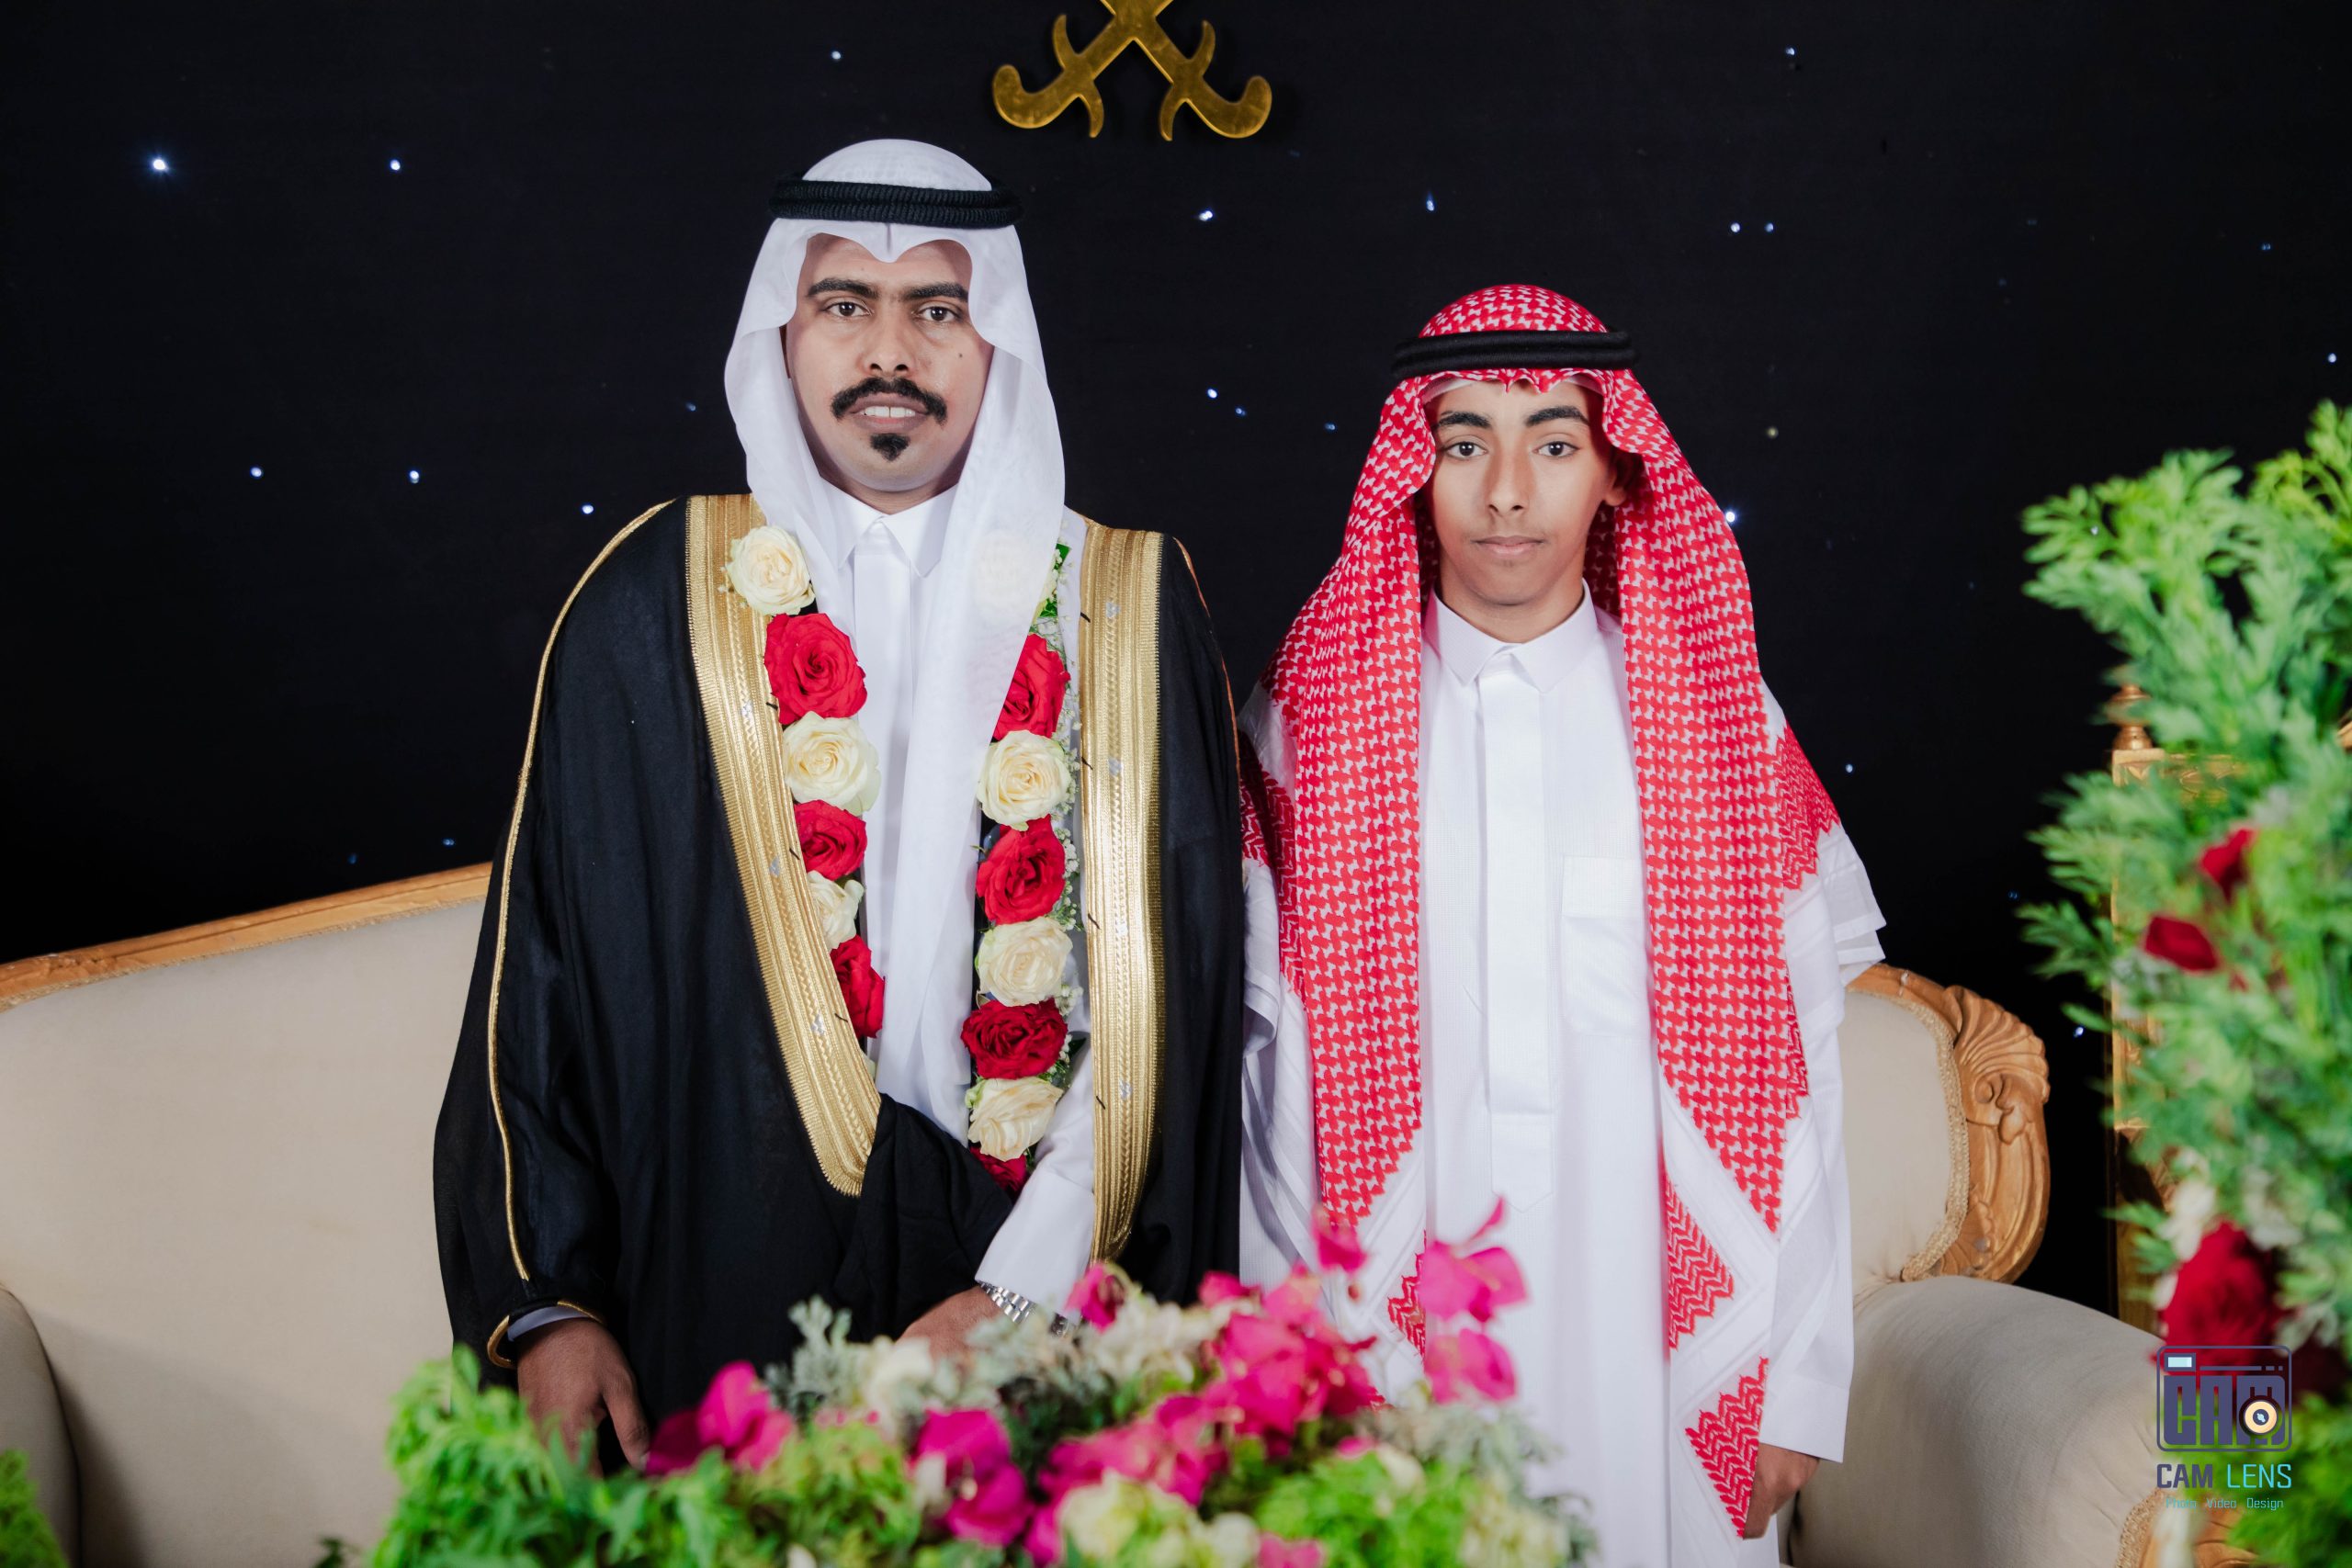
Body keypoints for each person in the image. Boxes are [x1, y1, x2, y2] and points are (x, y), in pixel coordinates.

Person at [434, 139, 1245, 1470]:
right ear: (783, 332)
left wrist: (1027, 1293)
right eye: (844, 304)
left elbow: (1175, 1006)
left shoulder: (1125, 607)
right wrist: (550, 1305)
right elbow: (541, 982)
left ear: (996, 338)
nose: (891, 353)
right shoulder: (650, 604)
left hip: (1034, 1303)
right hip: (719, 1288)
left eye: (938, 308)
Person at [1235, 285, 1884, 1566]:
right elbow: (1263, 1089)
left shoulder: (1716, 724)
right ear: (1414, 475)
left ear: (1614, 473)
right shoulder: (1311, 723)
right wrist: (1288, 1370)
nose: (1507, 493)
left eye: (1553, 442)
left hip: (1659, 1341)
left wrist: (1796, 1386)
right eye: (1463, 443)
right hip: (1394, 1331)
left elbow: (1800, 1069)